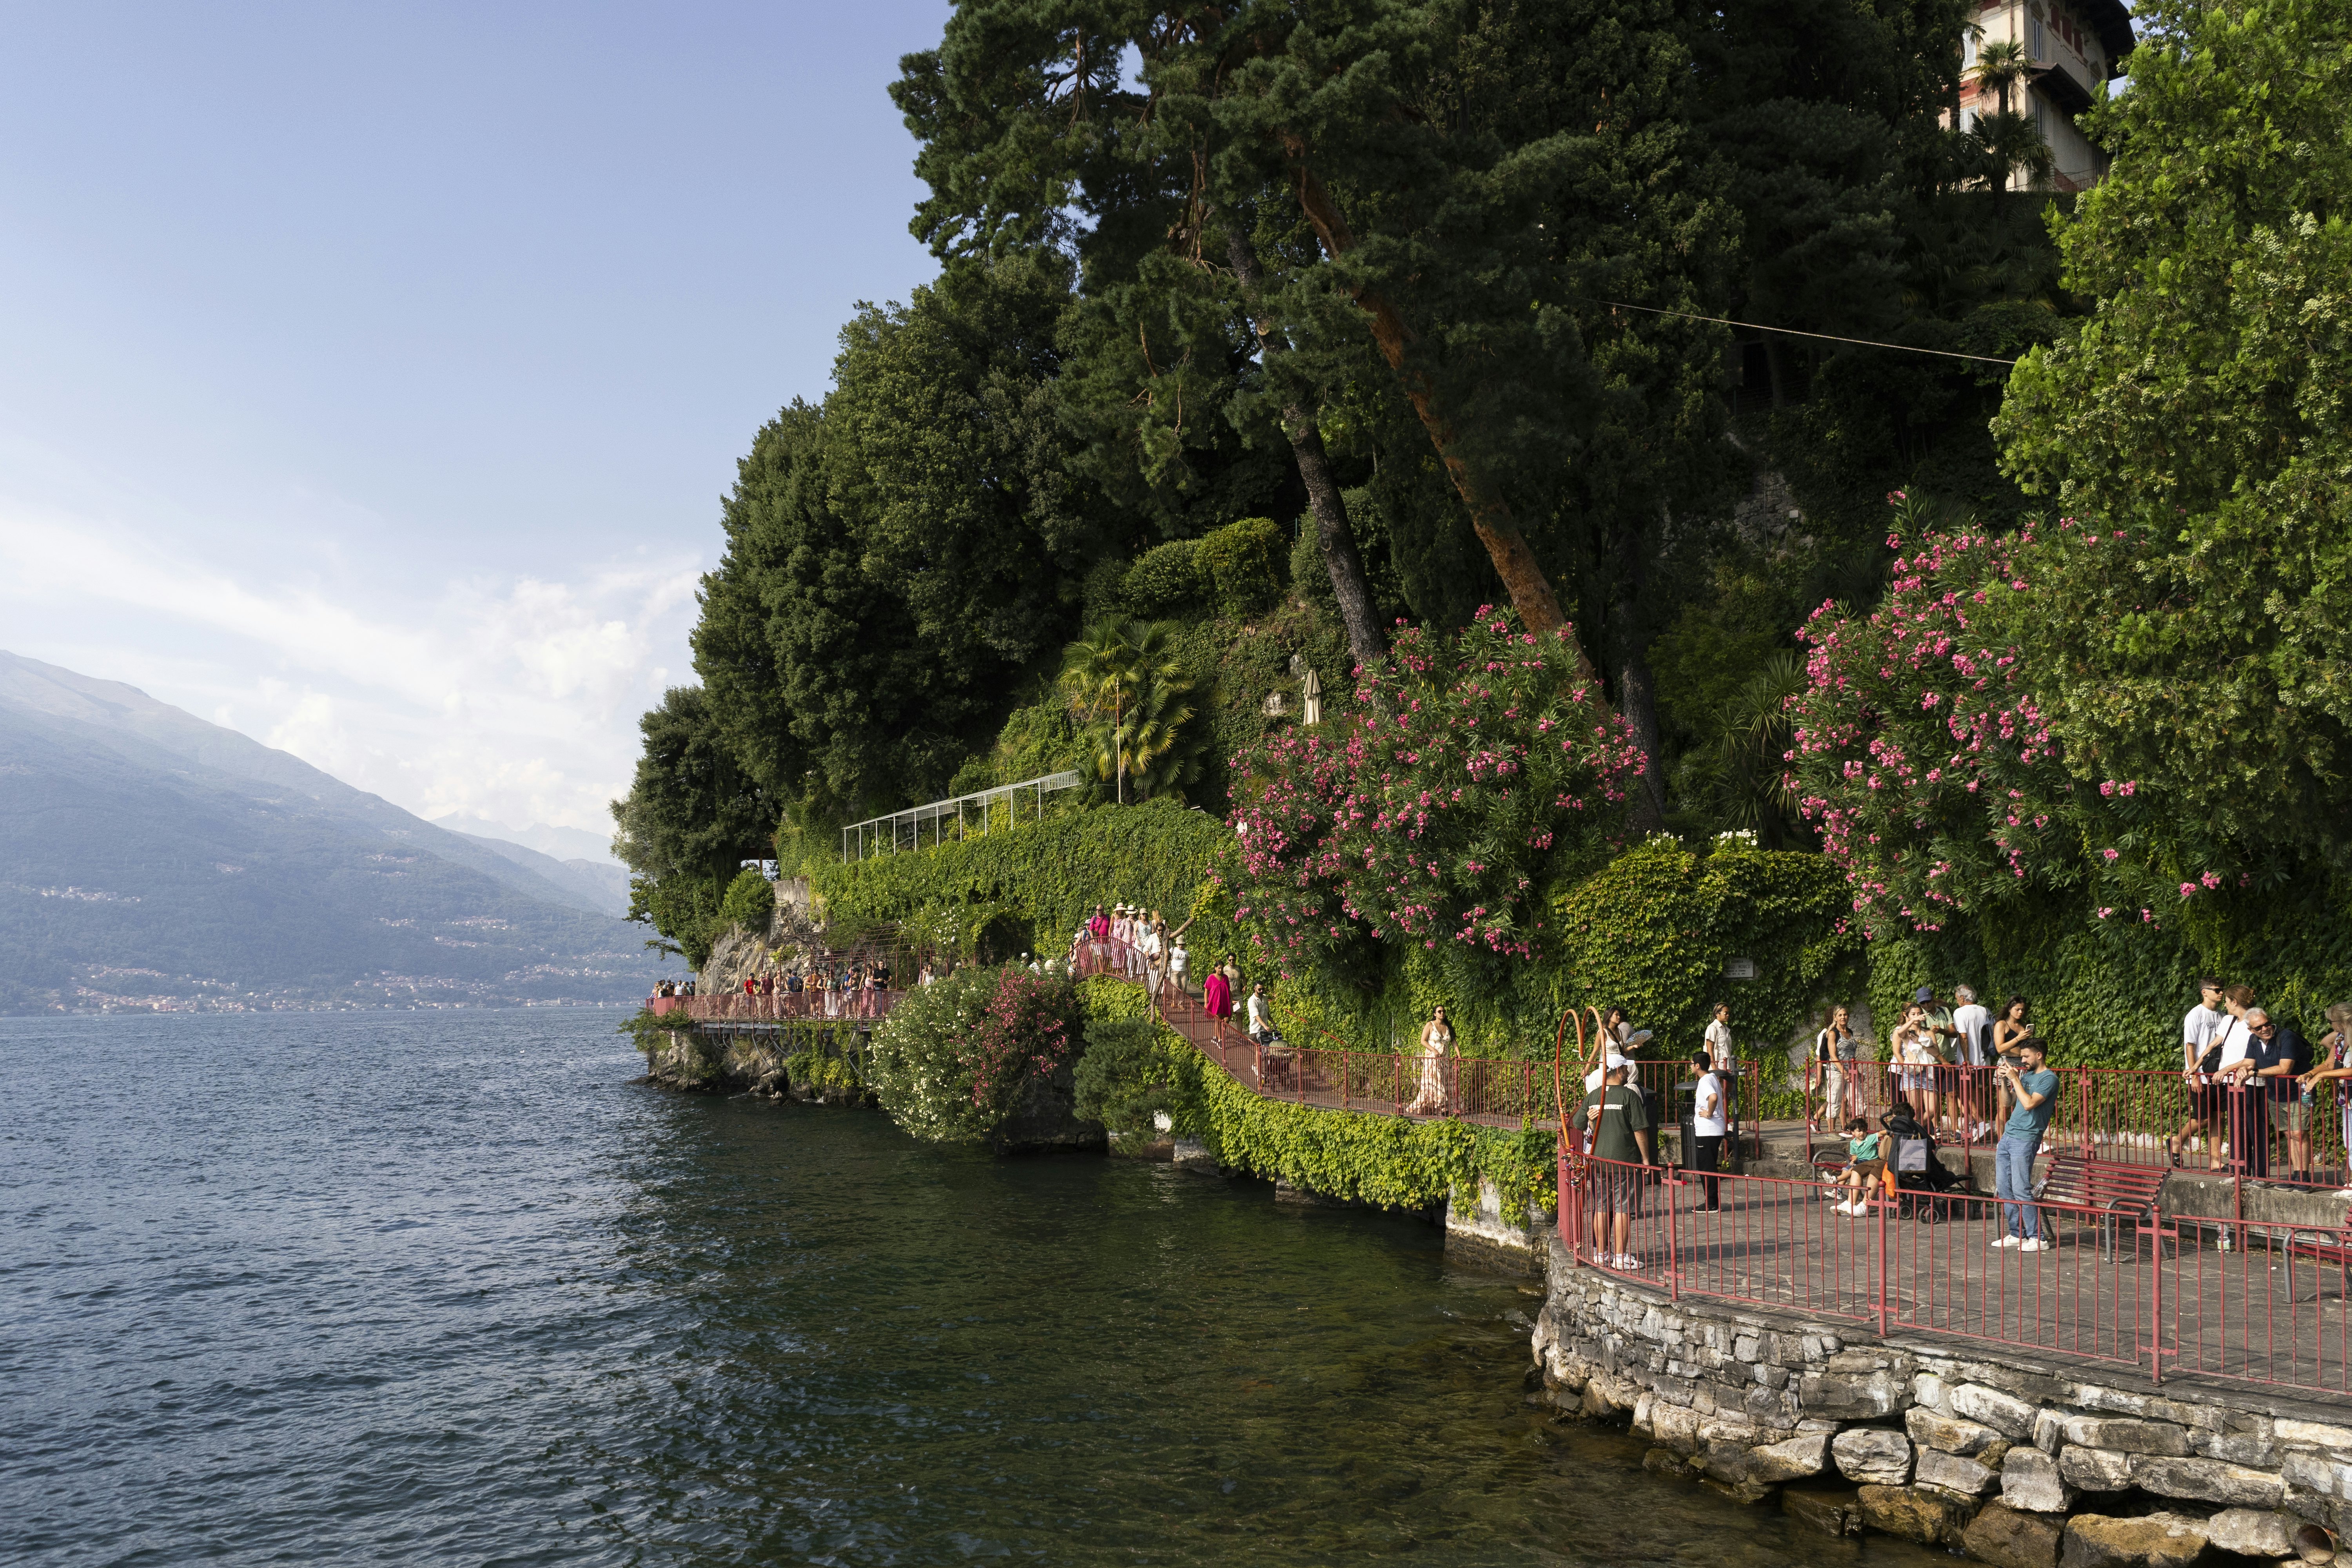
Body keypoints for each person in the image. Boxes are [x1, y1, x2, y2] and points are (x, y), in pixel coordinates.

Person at [1572, 1053, 1655, 1271]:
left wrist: (1591, 1118)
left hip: (1599, 1162)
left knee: (1601, 1207)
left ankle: (1601, 1253)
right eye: (1625, 1069)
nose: (1628, 1072)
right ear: (1618, 1071)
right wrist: (1646, 1160)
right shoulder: (1629, 1096)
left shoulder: (1594, 1096)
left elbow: (1577, 1123)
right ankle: (1620, 1256)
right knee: (1623, 1209)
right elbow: (1640, 1129)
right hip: (1625, 1163)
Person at [1993, 1039, 2059, 1252]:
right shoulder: (2027, 1075)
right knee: (2004, 1188)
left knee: (2021, 1188)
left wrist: (2016, 1079)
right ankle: (2016, 1234)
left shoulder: (2049, 1079)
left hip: (2026, 1138)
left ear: (2039, 1055)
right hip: (2009, 1136)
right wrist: (2004, 1081)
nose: (2022, 1060)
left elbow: (2030, 1104)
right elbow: (2007, 1102)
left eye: (2026, 1056)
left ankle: (2038, 1238)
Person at [2165, 978, 2231, 1168]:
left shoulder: (2221, 1015)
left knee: (2219, 1117)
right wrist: (2195, 1075)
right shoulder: (2195, 1015)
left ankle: (2216, 1162)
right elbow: (2190, 1046)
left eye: (2222, 990)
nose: (2221, 993)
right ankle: (2177, 1140)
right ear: (2205, 992)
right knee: (2202, 1118)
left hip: (2218, 1075)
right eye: (2217, 990)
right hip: (2201, 1075)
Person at [2298, 1003, 2352, 1195]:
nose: (2330, 1026)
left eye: (2331, 1022)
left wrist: (2321, 1077)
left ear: (2342, 1021)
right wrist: (2312, 1073)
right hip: (2347, 1099)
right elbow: (2329, 1064)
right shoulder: (2340, 1039)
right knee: (2349, 1141)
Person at [2254, 1008, 2312, 1180]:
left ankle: (2304, 1176)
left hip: (2299, 1092)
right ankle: (2296, 1173)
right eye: (2259, 1028)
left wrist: (2255, 1072)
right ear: (2252, 1030)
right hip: (2276, 1094)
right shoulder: (2254, 1040)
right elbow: (2247, 1062)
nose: (2265, 1029)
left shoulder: (2286, 1037)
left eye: (2267, 1024)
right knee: (2288, 1133)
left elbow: (2285, 1068)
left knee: (2299, 1133)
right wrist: (2229, 1070)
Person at [1951, 985, 1993, 1141]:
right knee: (1979, 1093)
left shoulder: (1959, 1012)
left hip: (1967, 1063)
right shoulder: (1983, 1010)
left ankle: (1981, 1124)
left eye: (1957, 999)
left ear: (1962, 998)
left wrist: (1967, 1061)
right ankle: (1977, 1127)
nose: (1957, 1001)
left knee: (1965, 1096)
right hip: (1984, 1061)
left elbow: (1963, 1036)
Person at [1688, 1050, 1726, 1212]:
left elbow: (1714, 1098)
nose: (1690, 1067)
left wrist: (1709, 1113)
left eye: (1691, 1064)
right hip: (1714, 1129)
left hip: (1708, 1130)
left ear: (1697, 1066)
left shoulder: (1705, 1081)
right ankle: (1711, 1201)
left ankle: (1711, 1203)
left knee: (1707, 1168)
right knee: (1708, 1166)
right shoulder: (1712, 1078)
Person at [1810, 1006, 1855, 1132]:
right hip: (1830, 1068)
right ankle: (1819, 1118)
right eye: (1839, 1015)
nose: (1843, 1017)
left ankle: (1842, 1125)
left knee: (1841, 1098)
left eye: (1844, 1015)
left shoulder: (1845, 1032)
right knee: (1836, 1098)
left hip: (1842, 1068)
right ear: (1833, 1017)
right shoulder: (1826, 1033)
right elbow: (1820, 1055)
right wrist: (1819, 1075)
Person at [1833, 1115, 1884, 1215]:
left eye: (1864, 1131)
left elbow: (1881, 1133)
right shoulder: (1853, 1143)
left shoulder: (1870, 1138)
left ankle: (1836, 1180)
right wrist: (1853, 1161)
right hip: (1859, 1161)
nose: (1862, 1133)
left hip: (1870, 1161)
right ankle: (1841, 1193)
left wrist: (1890, 1131)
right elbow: (1854, 1157)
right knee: (1848, 1169)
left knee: (1853, 1170)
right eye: (1859, 1131)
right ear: (1853, 1132)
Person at [1408, 1006, 1454, 1115]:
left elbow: (1454, 1041)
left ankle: (1431, 1108)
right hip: (1432, 1059)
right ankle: (1442, 1108)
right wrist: (1434, 1051)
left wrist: (1459, 1056)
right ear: (1435, 1014)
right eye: (1439, 1011)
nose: (1442, 1013)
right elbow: (1423, 1041)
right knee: (1435, 1082)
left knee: (1443, 1082)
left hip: (1445, 1060)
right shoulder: (1430, 1025)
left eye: (1443, 1011)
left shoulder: (1447, 1026)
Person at [1202, 962, 1233, 1040]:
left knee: (1225, 1018)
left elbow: (1228, 989)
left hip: (1224, 1002)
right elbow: (1206, 990)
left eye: (1222, 968)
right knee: (1218, 1020)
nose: (1221, 970)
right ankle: (1220, 1039)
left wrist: (1232, 1000)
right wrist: (1206, 1003)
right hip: (1215, 1002)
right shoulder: (1211, 978)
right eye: (1219, 968)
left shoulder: (1225, 977)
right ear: (1215, 968)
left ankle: (1216, 1036)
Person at [1704, 1004, 1735, 1073]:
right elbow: (1709, 1051)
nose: (1728, 1015)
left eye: (1729, 1013)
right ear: (1717, 1014)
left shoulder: (1725, 1029)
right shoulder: (1713, 1028)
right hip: (1717, 1068)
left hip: (1727, 1066)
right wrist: (1715, 1069)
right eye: (1726, 1013)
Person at [1245, 982, 1274, 1046]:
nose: (1262, 991)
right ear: (1255, 989)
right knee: (1259, 1050)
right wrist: (1265, 1026)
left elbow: (1267, 1013)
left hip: (1265, 1030)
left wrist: (1273, 1023)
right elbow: (1256, 1016)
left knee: (1267, 1048)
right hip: (1256, 1030)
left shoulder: (1265, 998)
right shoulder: (1252, 1001)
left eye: (1263, 989)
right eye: (1260, 989)